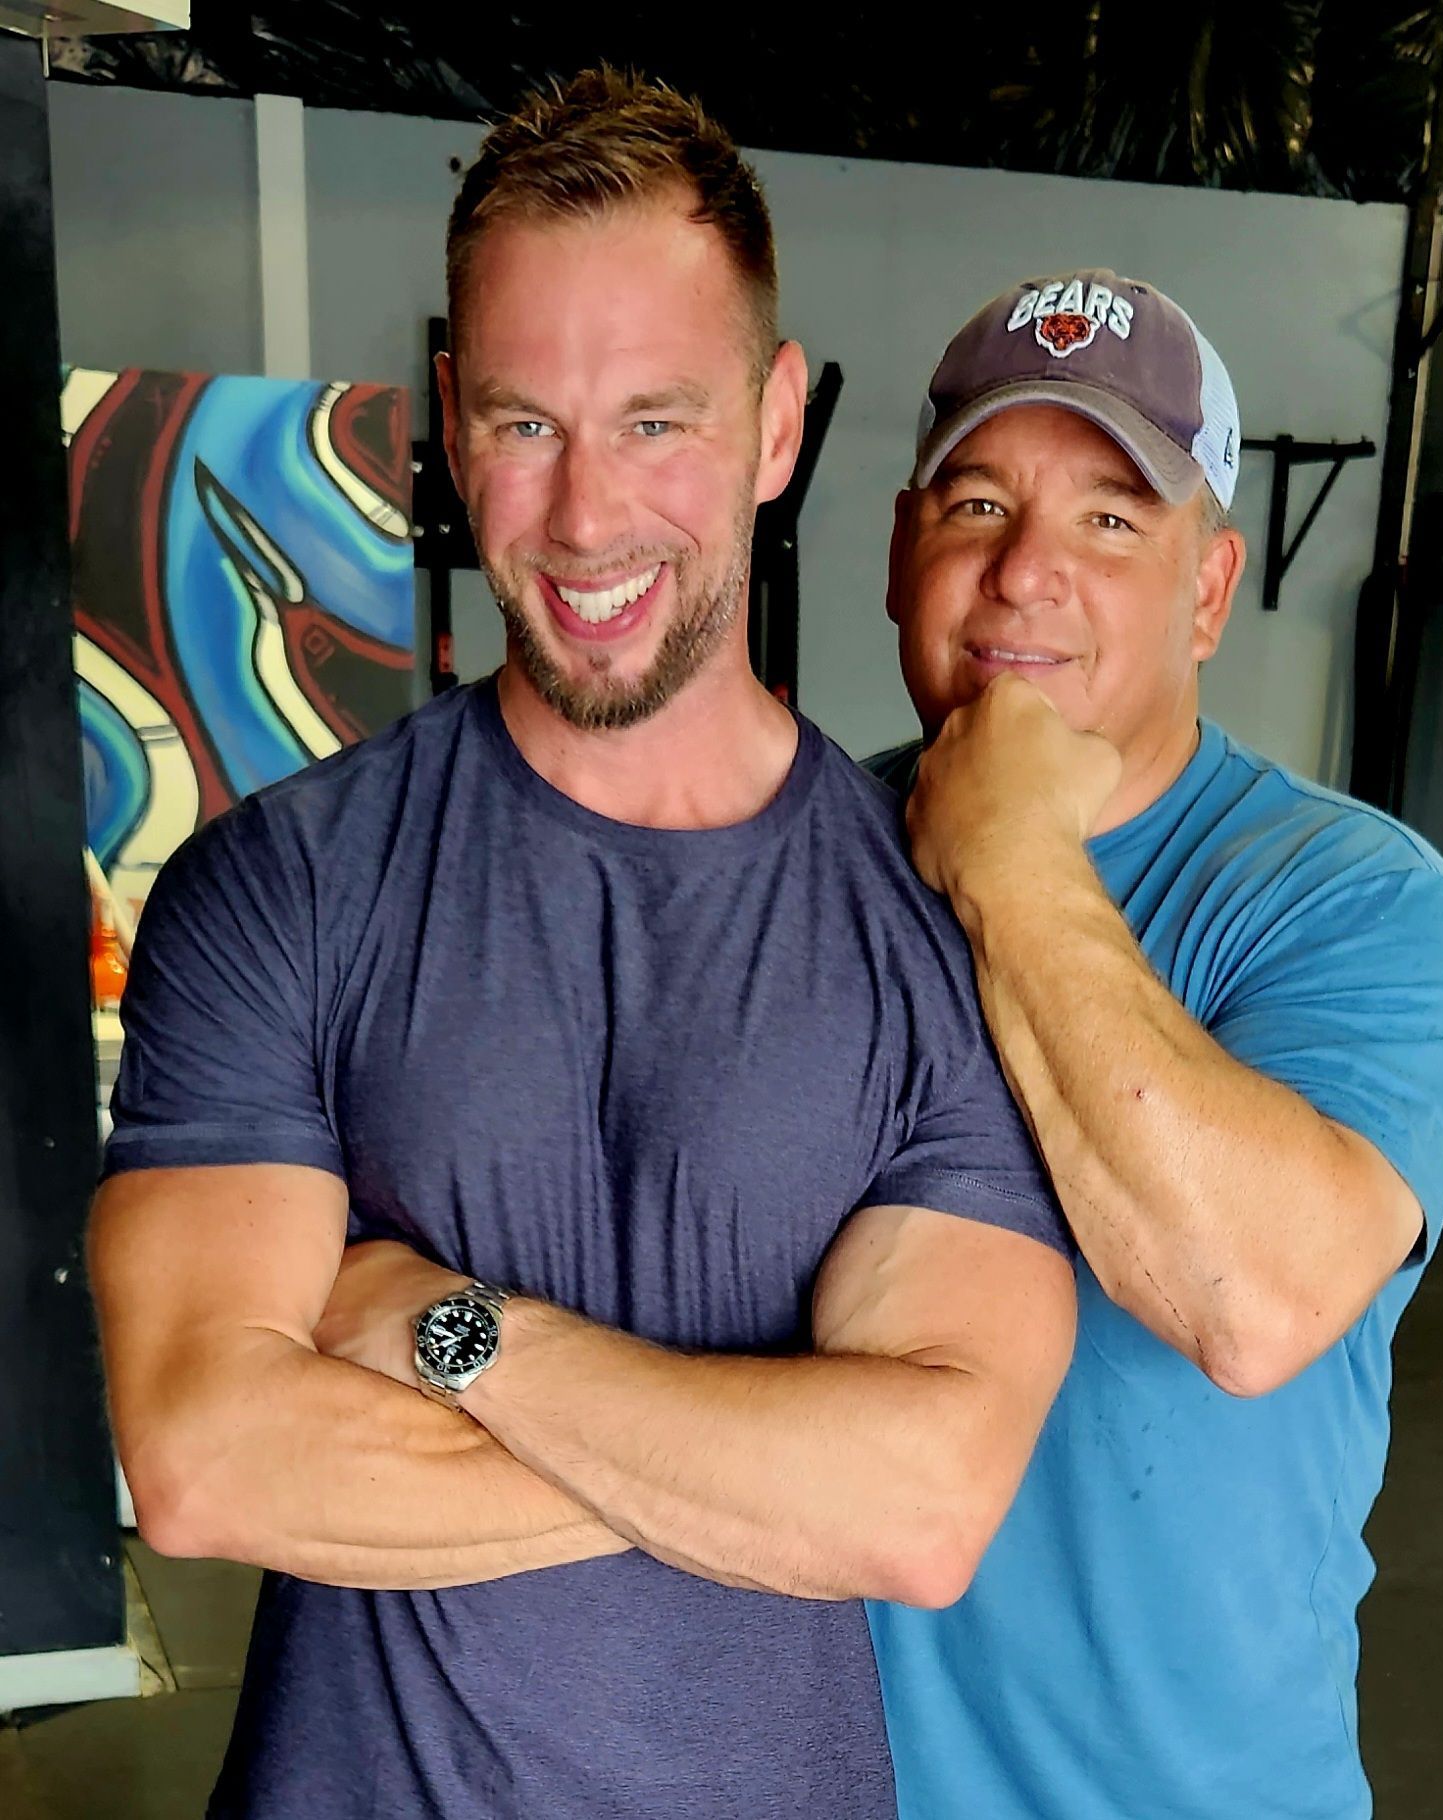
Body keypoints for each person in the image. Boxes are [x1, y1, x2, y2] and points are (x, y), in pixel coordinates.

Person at [87, 72, 1076, 1820]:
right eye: (529, 424)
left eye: (655, 423)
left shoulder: (937, 931)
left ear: (776, 427)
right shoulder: (281, 889)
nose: (585, 516)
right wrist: (762, 1457)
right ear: (454, 421)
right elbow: (206, 1465)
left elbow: (917, 1511)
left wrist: (439, 1325)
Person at [863, 268, 1443, 1819]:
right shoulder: (784, 857)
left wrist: (1011, 854)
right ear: (900, 552)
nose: (1023, 574)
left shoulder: (1346, 900)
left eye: (1108, 521)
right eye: (976, 505)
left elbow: (1252, 1301)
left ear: (1207, 591)